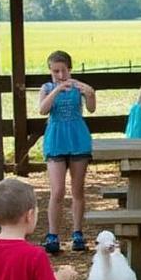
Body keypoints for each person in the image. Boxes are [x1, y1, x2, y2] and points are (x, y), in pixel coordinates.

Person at [37, 50, 96, 254]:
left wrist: (89, 93)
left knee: (77, 189)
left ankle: (77, 233)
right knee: (58, 190)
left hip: (78, 138)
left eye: (63, 71)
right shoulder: (46, 87)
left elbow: (91, 108)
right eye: (55, 72)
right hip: (56, 139)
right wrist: (57, 89)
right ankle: (53, 235)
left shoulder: (78, 87)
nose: (60, 75)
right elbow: (42, 110)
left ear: (70, 69)